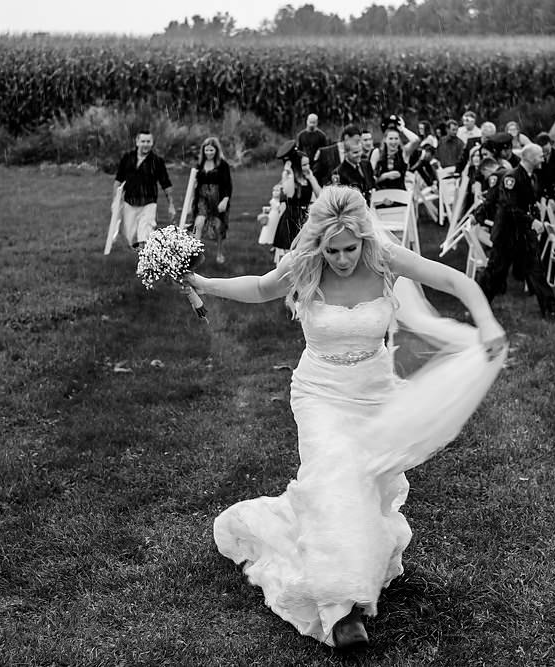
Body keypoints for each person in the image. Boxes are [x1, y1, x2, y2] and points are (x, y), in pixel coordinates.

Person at [182, 186, 507, 649]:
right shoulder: (305, 265)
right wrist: (206, 285)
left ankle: (344, 562)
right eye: (331, 250)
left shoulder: (384, 259)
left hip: (374, 392)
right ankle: (342, 612)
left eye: (349, 248)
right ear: (318, 243)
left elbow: (457, 282)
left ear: (364, 239)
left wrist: (488, 321)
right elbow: (259, 287)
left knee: (363, 486)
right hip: (319, 392)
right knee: (333, 475)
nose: (340, 259)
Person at [476, 144, 555, 318]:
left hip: (522, 234)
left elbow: (528, 203)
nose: (542, 159)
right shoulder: (511, 178)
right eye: (539, 156)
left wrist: (534, 217)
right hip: (507, 234)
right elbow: (509, 207)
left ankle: (549, 308)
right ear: (529, 158)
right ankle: (478, 306)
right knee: (495, 272)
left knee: (536, 270)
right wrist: (532, 221)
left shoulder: (532, 176)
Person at [113, 130, 176, 249]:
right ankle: (140, 252)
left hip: (148, 202)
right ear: (137, 142)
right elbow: (118, 180)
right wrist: (115, 202)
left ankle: (144, 261)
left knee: (145, 234)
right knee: (130, 236)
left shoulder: (157, 161)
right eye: (143, 141)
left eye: (148, 141)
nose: (146, 144)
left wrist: (171, 204)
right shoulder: (127, 158)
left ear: (152, 143)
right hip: (129, 201)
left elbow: (166, 184)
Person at [274, 143, 322, 263]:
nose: (307, 167)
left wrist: (311, 177)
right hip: (291, 217)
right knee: (290, 255)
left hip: (305, 217)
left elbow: (320, 195)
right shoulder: (288, 176)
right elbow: (289, 194)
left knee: (306, 252)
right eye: (304, 164)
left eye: (308, 164)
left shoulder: (308, 177)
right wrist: (289, 173)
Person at [189, 137, 233, 264]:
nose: (209, 153)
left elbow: (227, 184)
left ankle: (219, 252)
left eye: (211, 150)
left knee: (218, 227)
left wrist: (225, 200)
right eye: (206, 150)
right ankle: (195, 254)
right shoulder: (200, 164)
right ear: (203, 150)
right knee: (198, 223)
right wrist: (191, 201)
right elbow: (194, 183)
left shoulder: (222, 165)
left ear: (216, 150)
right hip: (202, 198)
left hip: (217, 198)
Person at [370, 118, 420, 191]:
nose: (394, 142)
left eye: (396, 138)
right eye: (391, 138)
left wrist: (402, 129)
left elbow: (416, 140)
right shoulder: (377, 152)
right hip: (381, 194)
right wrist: (385, 176)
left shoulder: (404, 152)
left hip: (400, 194)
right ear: (385, 140)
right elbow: (370, 179)